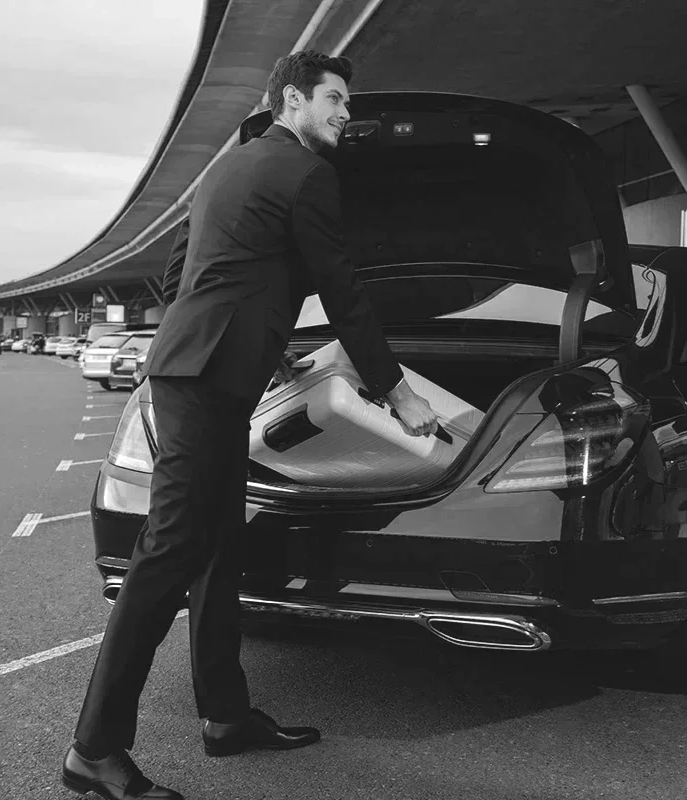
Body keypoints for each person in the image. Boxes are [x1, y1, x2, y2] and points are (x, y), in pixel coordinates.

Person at [61, 50, 439, 800]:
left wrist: (247, 339)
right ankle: (92, 751)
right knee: (169, 552)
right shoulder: (306, 172)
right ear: (293, 100)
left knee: (217, 548)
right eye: (335, 99)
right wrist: (396, 392)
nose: (345, 113)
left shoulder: (227, 168)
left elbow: (180, 273)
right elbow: (341, 289)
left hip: (199, 369)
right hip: (208, 380)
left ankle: (226, 716)